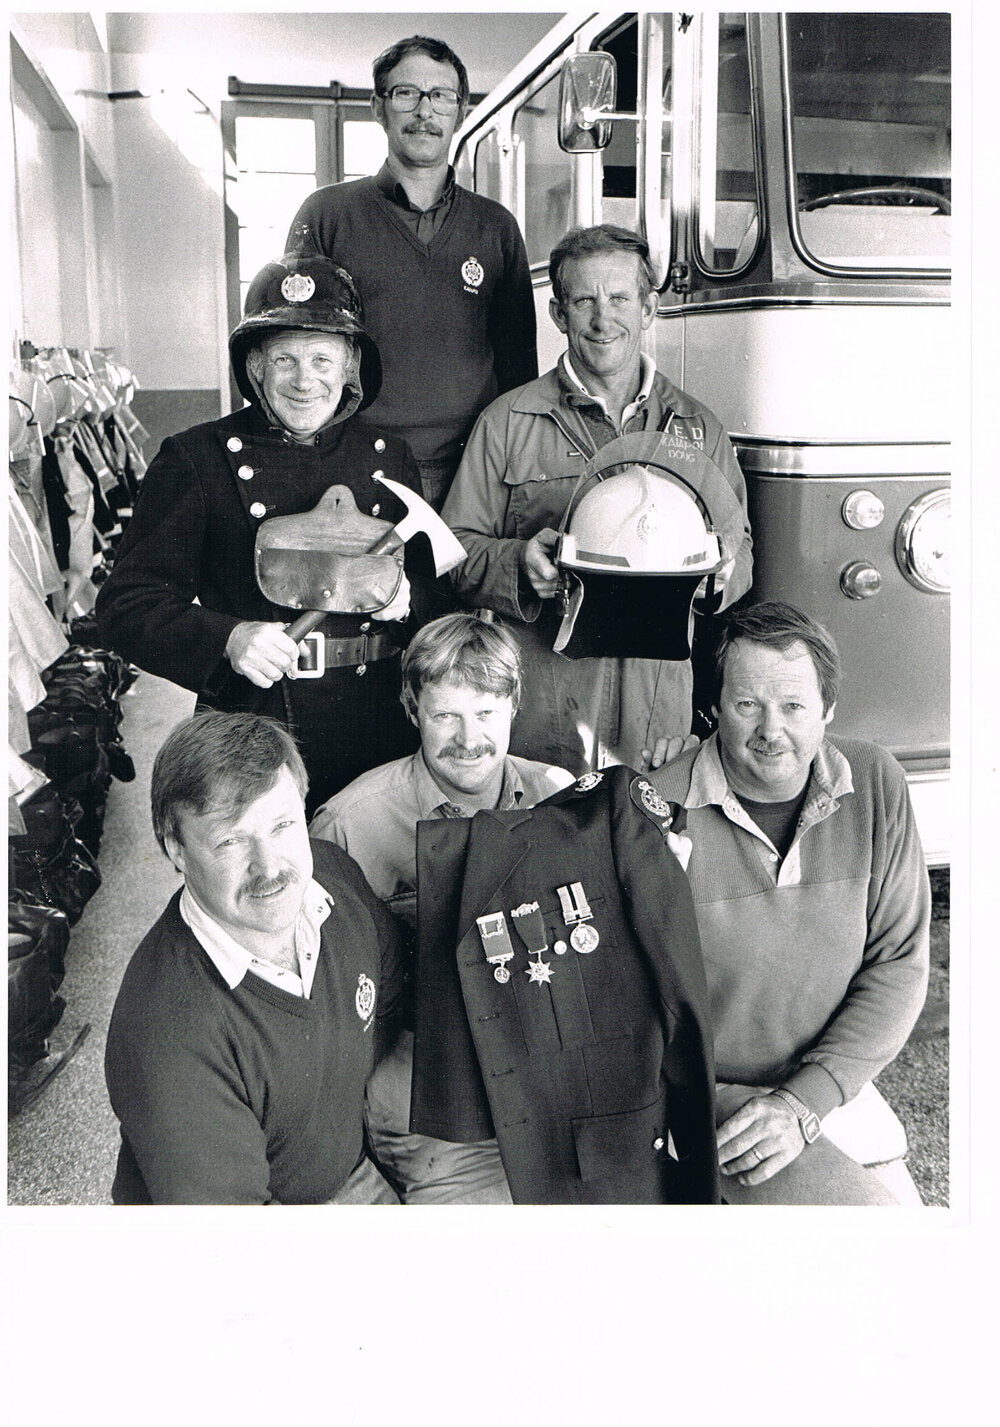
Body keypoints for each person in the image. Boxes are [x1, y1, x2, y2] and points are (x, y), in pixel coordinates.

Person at [96, 252, 430, 814]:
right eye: (284, 360)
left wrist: (403, 602)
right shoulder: (196, 458)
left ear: (351, 366)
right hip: (251, 721)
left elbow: (434, 599)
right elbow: (126, 606)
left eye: (324, 359)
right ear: (255, 367)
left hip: (378, 720)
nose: (305, 381)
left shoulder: (391, 458)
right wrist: (228, 637)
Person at [441, 223, 753, 776]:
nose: (602, 319)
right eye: (583, 300)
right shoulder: (507, 423)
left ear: (648, 308)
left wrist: (723, 573)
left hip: (658, 712)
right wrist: (518, 566)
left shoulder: (699, 429)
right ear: (558, 315)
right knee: (546, 840)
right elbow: (453, 552)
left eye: (619, 298)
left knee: (648, 843)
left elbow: (742, 549)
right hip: (542, 704)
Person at [650, 601, 930, 1205]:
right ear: (715, 708)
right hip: (707, 1095)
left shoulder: (876, 781)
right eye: (748, 704)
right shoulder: (656, 809)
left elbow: (898, 964)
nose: (770, 729)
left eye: (794, 706)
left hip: (825, 1085)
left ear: (828, 710)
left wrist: (806, 1100)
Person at [310, 613, 574, 1201]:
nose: (467, 738)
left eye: (484, 712)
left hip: (548, 1080)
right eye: (445, 716)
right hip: (428, 1104)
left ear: (513, 706)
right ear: (412, 710)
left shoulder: (560, 798)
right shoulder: (350, 826)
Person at [104, 712, 406, 1204]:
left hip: (348, 1167)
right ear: (175, 849)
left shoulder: (334, 879)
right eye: (231, 841)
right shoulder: (165, 1032)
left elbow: (393, 994)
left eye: (283, 825)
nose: (270, 867)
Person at [288, 34, 537, 510]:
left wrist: (514, 469)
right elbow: (294, 349)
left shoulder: (496, 227)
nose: (425, 111)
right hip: (355, 465)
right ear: (379, 108)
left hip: (475, 470)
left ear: (460, 111)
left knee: (464, 585)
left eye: (441, 96)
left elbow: (518, 365)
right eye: (407, 93)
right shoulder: (326, 215)